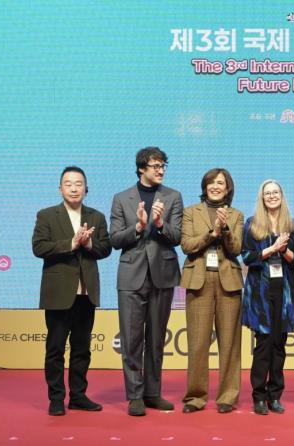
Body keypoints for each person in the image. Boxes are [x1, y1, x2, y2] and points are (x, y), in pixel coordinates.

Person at [110, 147, 183, 416]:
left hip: (163, 274)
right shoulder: (121, 198)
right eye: (155, 166)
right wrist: (139, 227)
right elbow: (115, 239)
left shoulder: (173, 196)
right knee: (131, 339)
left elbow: (178, 237)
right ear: (142, 168)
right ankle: (135, 395)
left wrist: (160, 224)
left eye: (163, 166)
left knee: (156, 338)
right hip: (132, 276)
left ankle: (153, 393)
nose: (161, 170)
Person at [33, 166, 111, 416]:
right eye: (68, 184)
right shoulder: (46, 215)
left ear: (86, 189)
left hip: (86, 294)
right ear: (60, 189)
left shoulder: (97, 217)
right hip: (58, 294)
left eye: (79, 184)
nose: (74, 188)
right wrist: (71, 243)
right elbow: (39, 247)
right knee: (55, 348)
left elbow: (106, 249)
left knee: (82, 348)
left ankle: (78, 396)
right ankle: (56, 398)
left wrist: (88, 243)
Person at [180, 168, 244, 414]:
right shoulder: (190, 212)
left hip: (229, 280)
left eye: (221, 183)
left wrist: (225, 230)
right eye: (211, 182)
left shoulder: (236, 215)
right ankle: (195, 397)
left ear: (228, 189)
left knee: (230, 343)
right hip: (199, 279)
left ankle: (228, 396)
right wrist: (211, 234)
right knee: (197, 342)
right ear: (205, 186)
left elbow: (236, 249)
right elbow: (187, 245)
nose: (215, 186)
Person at [241, 180, 294, 415]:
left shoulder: (292, 224)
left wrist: (284, 250)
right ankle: (258, 396)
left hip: (285, 292)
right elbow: (247, 257)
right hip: (260, 292)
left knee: (279, 345)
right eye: (268, 193)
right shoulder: (252, 224)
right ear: (262, 198)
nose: (272, 196)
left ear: (282, 195)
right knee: (263, 345)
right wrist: (272, 248)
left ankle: (275, 396)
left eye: (276, 192)